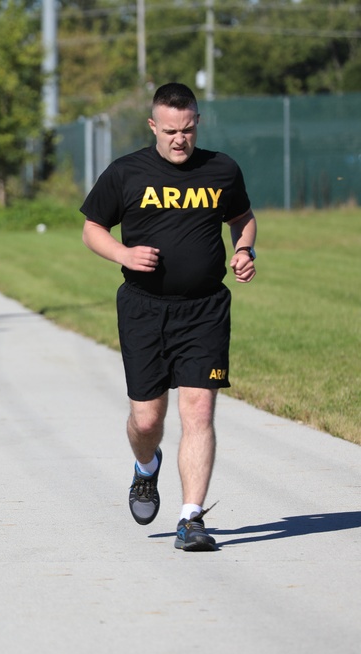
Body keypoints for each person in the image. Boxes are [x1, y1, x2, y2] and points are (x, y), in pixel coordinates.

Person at [80, 82, 257, 552]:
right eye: (171, 131)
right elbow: (92, 228)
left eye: (189, 129)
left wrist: (244, 248)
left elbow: (242, 217)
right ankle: (145, 468)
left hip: (204, 309)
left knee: (198, 410)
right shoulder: (126, 172)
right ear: (154, 126)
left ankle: (191, 518)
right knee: (146, 419)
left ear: (197, 123)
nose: (180, 139)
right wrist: (124, 252)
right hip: (143, 308)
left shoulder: (222, 169)